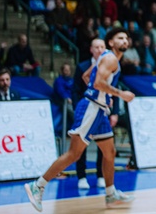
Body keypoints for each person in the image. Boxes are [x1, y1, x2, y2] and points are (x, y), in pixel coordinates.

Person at [25, 28, 136, 211]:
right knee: (74, 154)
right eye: (120, 38)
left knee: (109, 152)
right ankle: (37, 185)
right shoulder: (110, 59)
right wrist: (119, 94)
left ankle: (110, 194)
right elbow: (98, 83)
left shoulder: (106, 58)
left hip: (99, 109)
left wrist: (104, 96)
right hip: (91, 108)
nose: (125, 40)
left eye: (126, 38)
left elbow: (87, 77)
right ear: (111, 42)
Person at [73, 39, 110, 190]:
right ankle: (81, 177)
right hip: (86, 110)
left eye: (102, 47)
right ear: (91, 49)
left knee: (103, 144)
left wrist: (113, 112)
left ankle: (101, 175)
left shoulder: (109, 66)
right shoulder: (82, 67)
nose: (99, 49)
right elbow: (75, 90)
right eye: (96, 47)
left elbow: (113, 89)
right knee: (81, 144)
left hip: (102, 110)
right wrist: (77, 110)